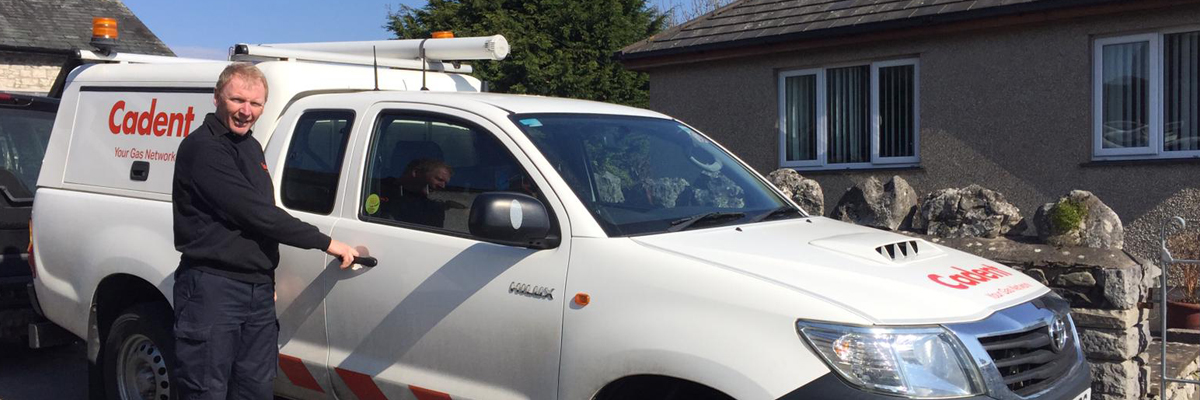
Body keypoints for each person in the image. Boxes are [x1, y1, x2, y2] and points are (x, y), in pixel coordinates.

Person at [171, 62, 358, 400]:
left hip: (255, 291)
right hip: (213, 288)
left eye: (255, 104)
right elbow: (256, 214)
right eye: (237, 100)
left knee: (255, 387)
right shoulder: (203, 148)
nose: (246, 111)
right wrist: (326, 242)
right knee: (205, 389)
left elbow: (261, 216)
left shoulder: (251, 146)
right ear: (217, 97)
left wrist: (263, 277)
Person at [382, 158, 454, 227]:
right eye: (439, 179)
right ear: (416, 172)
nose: (442, 186)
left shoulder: (433, 210)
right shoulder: (380, 187)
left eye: (445, 183)